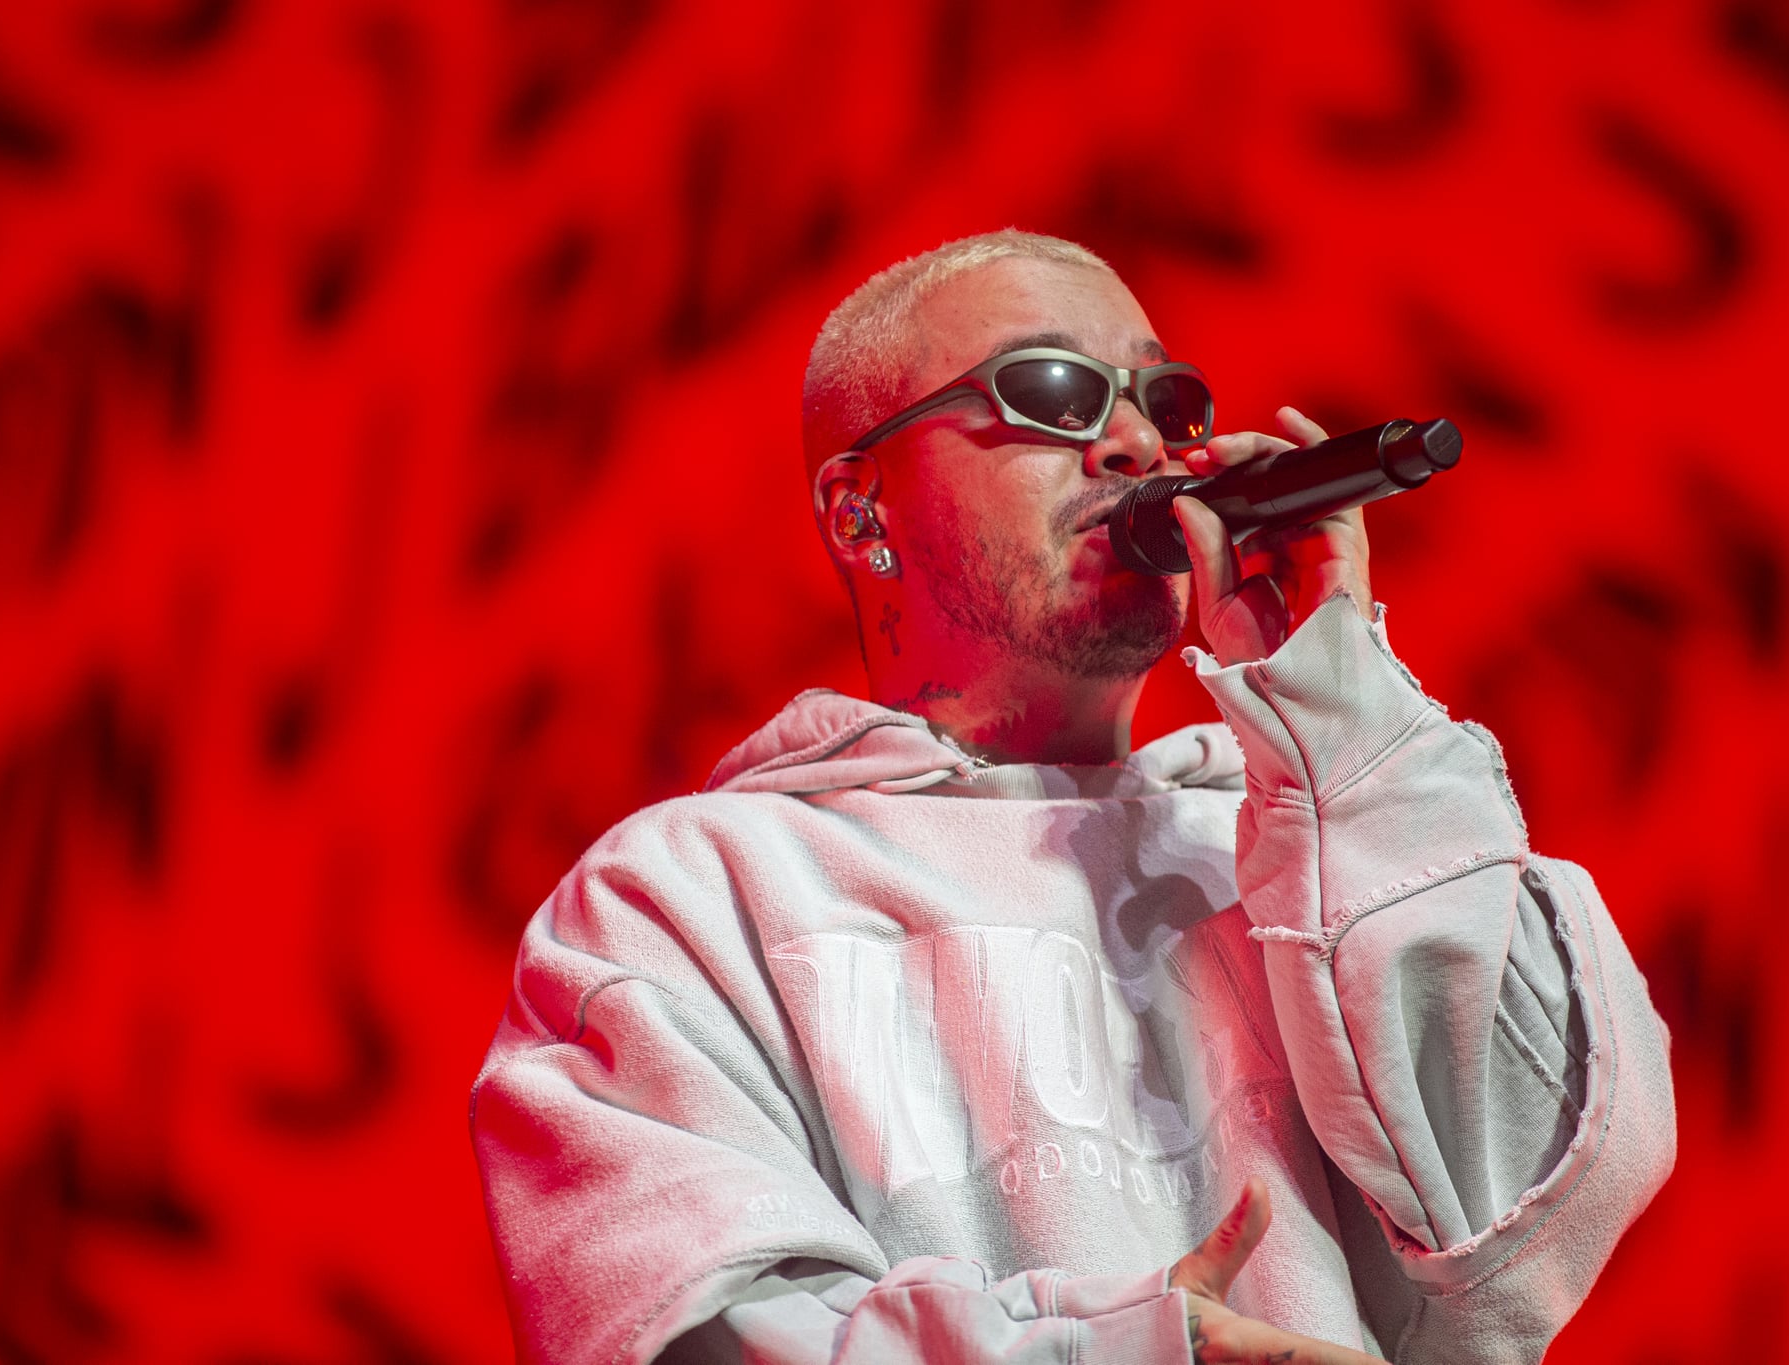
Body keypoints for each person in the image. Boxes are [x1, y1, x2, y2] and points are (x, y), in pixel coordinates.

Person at [469, 230, 1676, 1365]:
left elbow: (1508, 1234)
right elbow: (700, 1330)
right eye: (1049, 394)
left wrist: (1337, 693)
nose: (1134, 447)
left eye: (1166, 404)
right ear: (858, 510)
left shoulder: (1287, 841)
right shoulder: (683, 899)